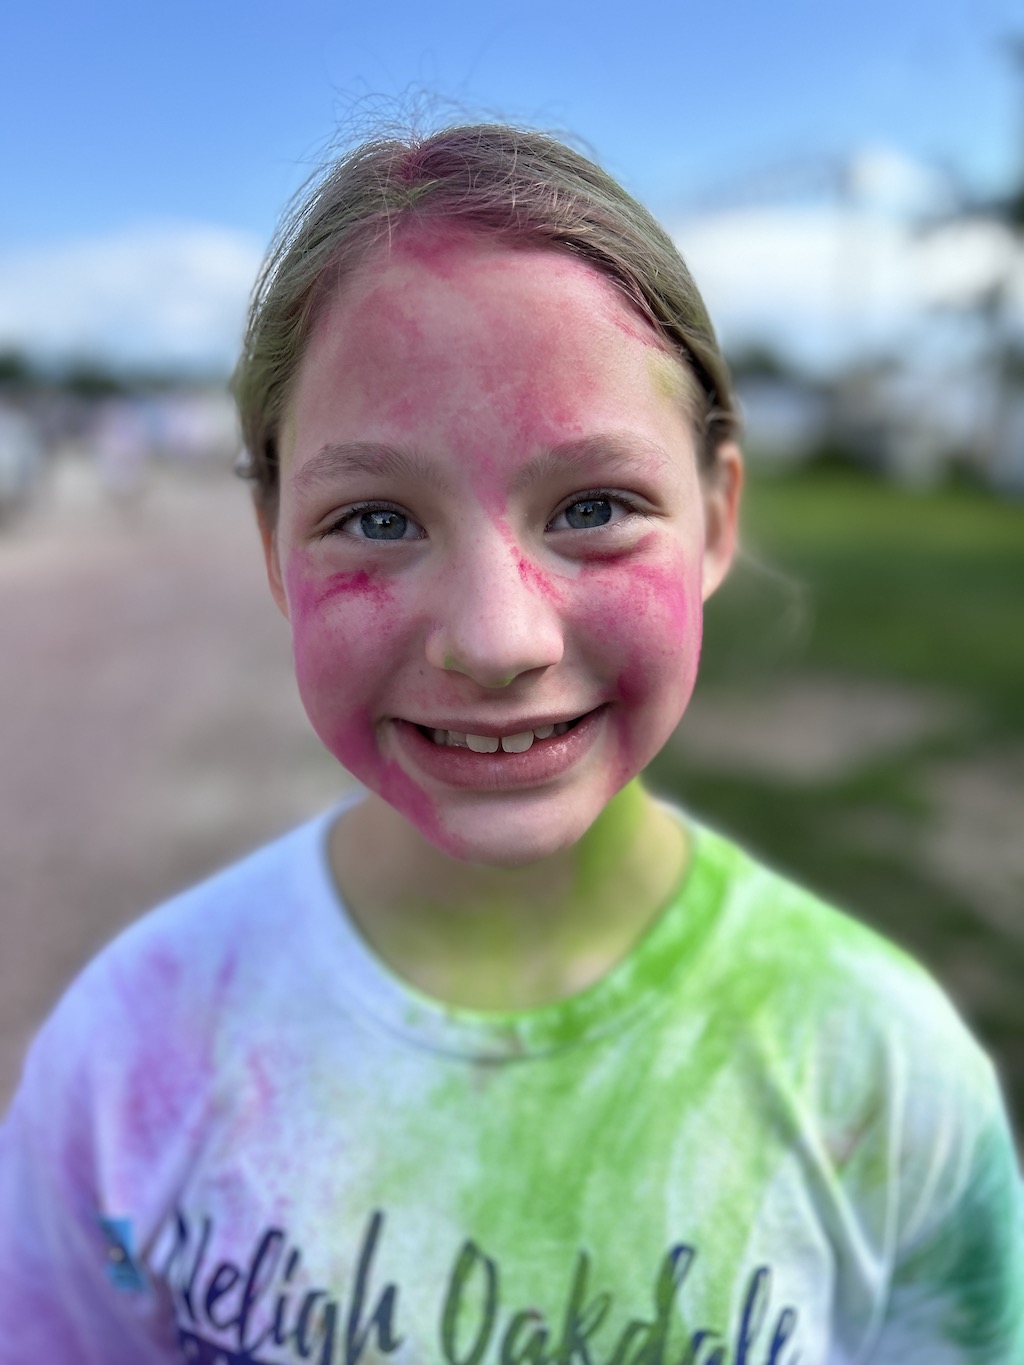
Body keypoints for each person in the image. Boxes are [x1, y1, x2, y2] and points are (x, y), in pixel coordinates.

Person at [0, 124, 1020, 1365]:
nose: (496, 639)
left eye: (593, 508)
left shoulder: (883, 1074)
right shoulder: (126, 1067)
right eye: (375, 517)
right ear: (274, 547)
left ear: (715, 520)